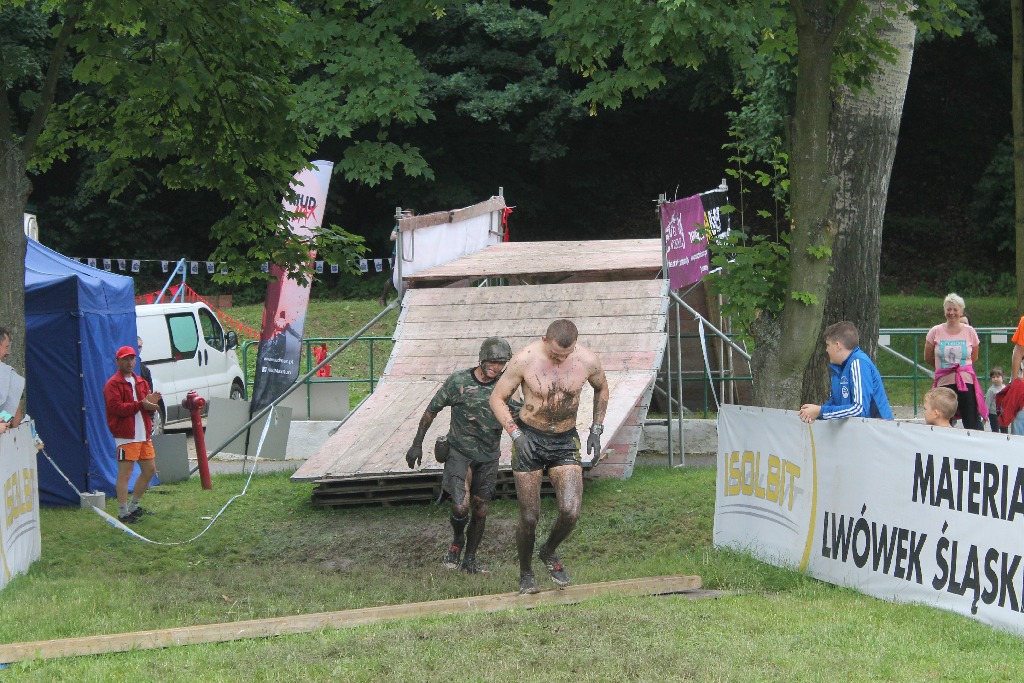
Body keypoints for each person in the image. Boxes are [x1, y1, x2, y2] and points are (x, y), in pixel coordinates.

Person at [489, 319, 609, 594]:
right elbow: (497, 398)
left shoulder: (587, 360)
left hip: (565, 440)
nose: (560, 360)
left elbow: (602, 387)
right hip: (529, 438)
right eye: (555, 354)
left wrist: (596, 429)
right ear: (545, 340)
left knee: (570, 511)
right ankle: (525, 572)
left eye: (566, 355)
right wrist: (515, 434)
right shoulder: (525, 359)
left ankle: (549, 551)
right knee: (530, 517)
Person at [405, 337, 519, 574]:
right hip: (459, 453)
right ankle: (457, 541)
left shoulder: (506, 387)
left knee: (481, 509)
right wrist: (417, 444)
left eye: (501, 363)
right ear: (482, 358)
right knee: (460, 506)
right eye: (492, 361)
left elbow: (522, 417)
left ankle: (470, 559)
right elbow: (431, 411)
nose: (496, 367)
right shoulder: (458, 381)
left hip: (488, 456)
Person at [103, 345, 161, 523]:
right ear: (117, 361)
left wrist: (152, 405)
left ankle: (133, 507)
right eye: (126, 359)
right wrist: (141, 405)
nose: (130, 362)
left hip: (143, 433)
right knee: (125, 473)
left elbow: (145, 406)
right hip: (125, 435)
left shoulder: (141, 382)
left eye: (132, 358)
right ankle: (123, 512)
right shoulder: (113, 384)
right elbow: (116, 408)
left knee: (149, 470)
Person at [798, 321, 894, 423]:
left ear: (837, 345)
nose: (826, 350)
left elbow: (859, 410)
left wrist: (820, 411)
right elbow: (835, 403)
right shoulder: (839, 368)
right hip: (858, 429)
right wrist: (814, 415)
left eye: (828, 345)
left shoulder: (858, 363)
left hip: (877, 429)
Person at [924, 293, 986, 430]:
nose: (951, 313)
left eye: (955, 309)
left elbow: (974, 357)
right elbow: (927, 357)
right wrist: (943, 370)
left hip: (965, 382)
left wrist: (961, 370)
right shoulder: (935, 331)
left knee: (971, 420)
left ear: (961, 311)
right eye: (948, 309)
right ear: (944, 311)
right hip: (944, 382)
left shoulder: (970, 332)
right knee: (942, 418)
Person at [0, 327, 25, 435]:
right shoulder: (9, 376)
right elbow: (15, 419)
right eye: (6, 347)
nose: (7, 352)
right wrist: (3, 421)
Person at [985, 367, 1007, 433]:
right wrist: (985, 415)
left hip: (1003, 413)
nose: (995, 379)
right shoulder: (991, 390)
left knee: (1004, 430)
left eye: (997, 377)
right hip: (993, 414)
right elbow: (987, 403)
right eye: (993, 377)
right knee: (995, 430)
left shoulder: (1005, 388)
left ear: (1003, 378)